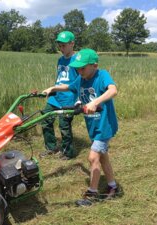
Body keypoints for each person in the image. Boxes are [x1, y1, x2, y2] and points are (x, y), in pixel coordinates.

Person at [42, 48, 120, 206]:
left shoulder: (102, 75)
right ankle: (113, 186)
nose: (79, 71)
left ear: (95, 65)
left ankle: (92, 194)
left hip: (105, 126)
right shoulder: (81, 79)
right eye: (77, 68)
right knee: (102, 157)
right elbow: (69, 86)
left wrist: (95, 102)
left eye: (82, 68)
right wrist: (53, 88)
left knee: (92, 158)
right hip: (93, 125)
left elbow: (113, 90)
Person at [40, 31, 79, 161]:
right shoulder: (60, 60)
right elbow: (59, 78)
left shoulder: (78, 61)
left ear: (72, 44)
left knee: (64, 125)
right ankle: (51, 147)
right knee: (45, 119)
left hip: (69, 98)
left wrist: (79, 99)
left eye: (63, 45)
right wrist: (53, 90)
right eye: (59, 45)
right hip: (56, 96)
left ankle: (68, 152)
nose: (61, 48)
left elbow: (80, 81)